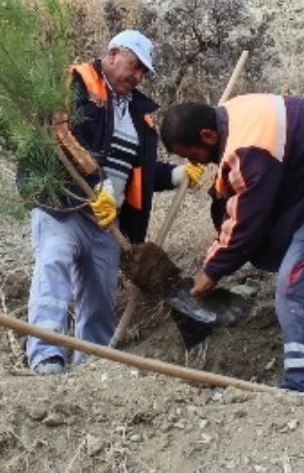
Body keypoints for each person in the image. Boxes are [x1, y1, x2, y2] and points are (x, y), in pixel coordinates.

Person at [159, 94, 304, 397]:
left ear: (207, 135)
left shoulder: (247, 146)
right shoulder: (238, 116)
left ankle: (302, 394)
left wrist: (212, 270)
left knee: (300, 289)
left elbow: (248, 218)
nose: (195, 163)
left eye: (191, 155)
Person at [22, 30, 206, 375]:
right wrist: (97, 184)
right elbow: (62, 134)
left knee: (100, 293)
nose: (137, 76)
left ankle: (92, 363)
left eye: (143, 72)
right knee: (54, 266)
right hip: (64, 206)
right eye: (134, 66)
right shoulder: (76, 83)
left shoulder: (139, 114)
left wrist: (176, 176)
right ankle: (46, 354)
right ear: (112, 54)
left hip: (108, 222)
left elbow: (139, 171)